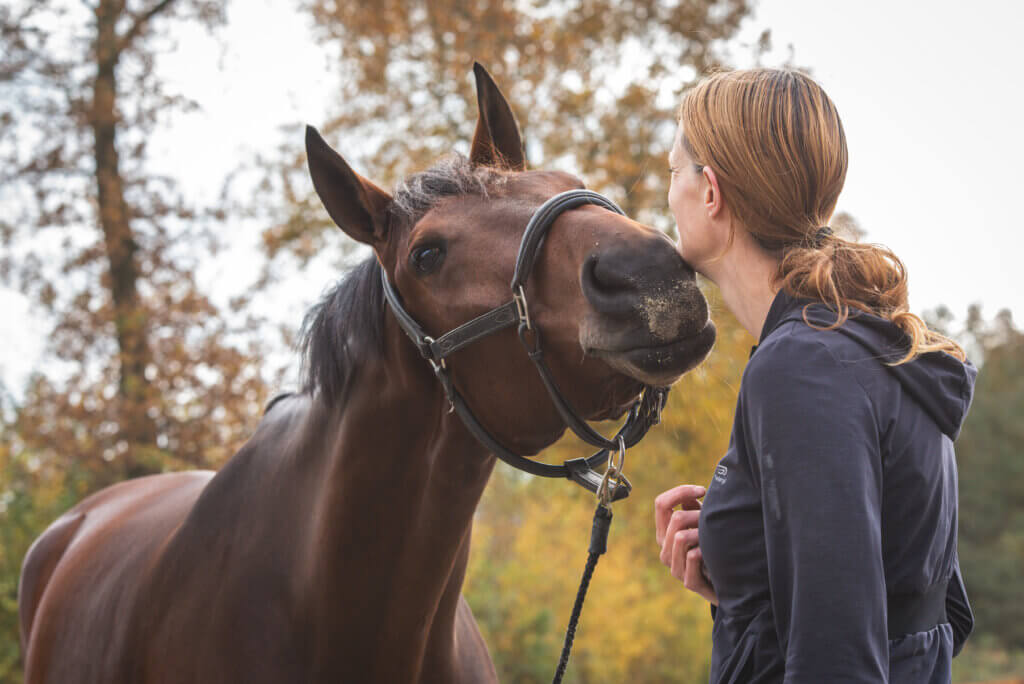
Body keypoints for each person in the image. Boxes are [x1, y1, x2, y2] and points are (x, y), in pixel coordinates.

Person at [653, 68, 975, 683]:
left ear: (711, 191)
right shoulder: (868, 345)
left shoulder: (803, 366)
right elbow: (928, 614)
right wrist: (747, 558)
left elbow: (842, 662)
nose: (670, 195)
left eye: (674, 172)